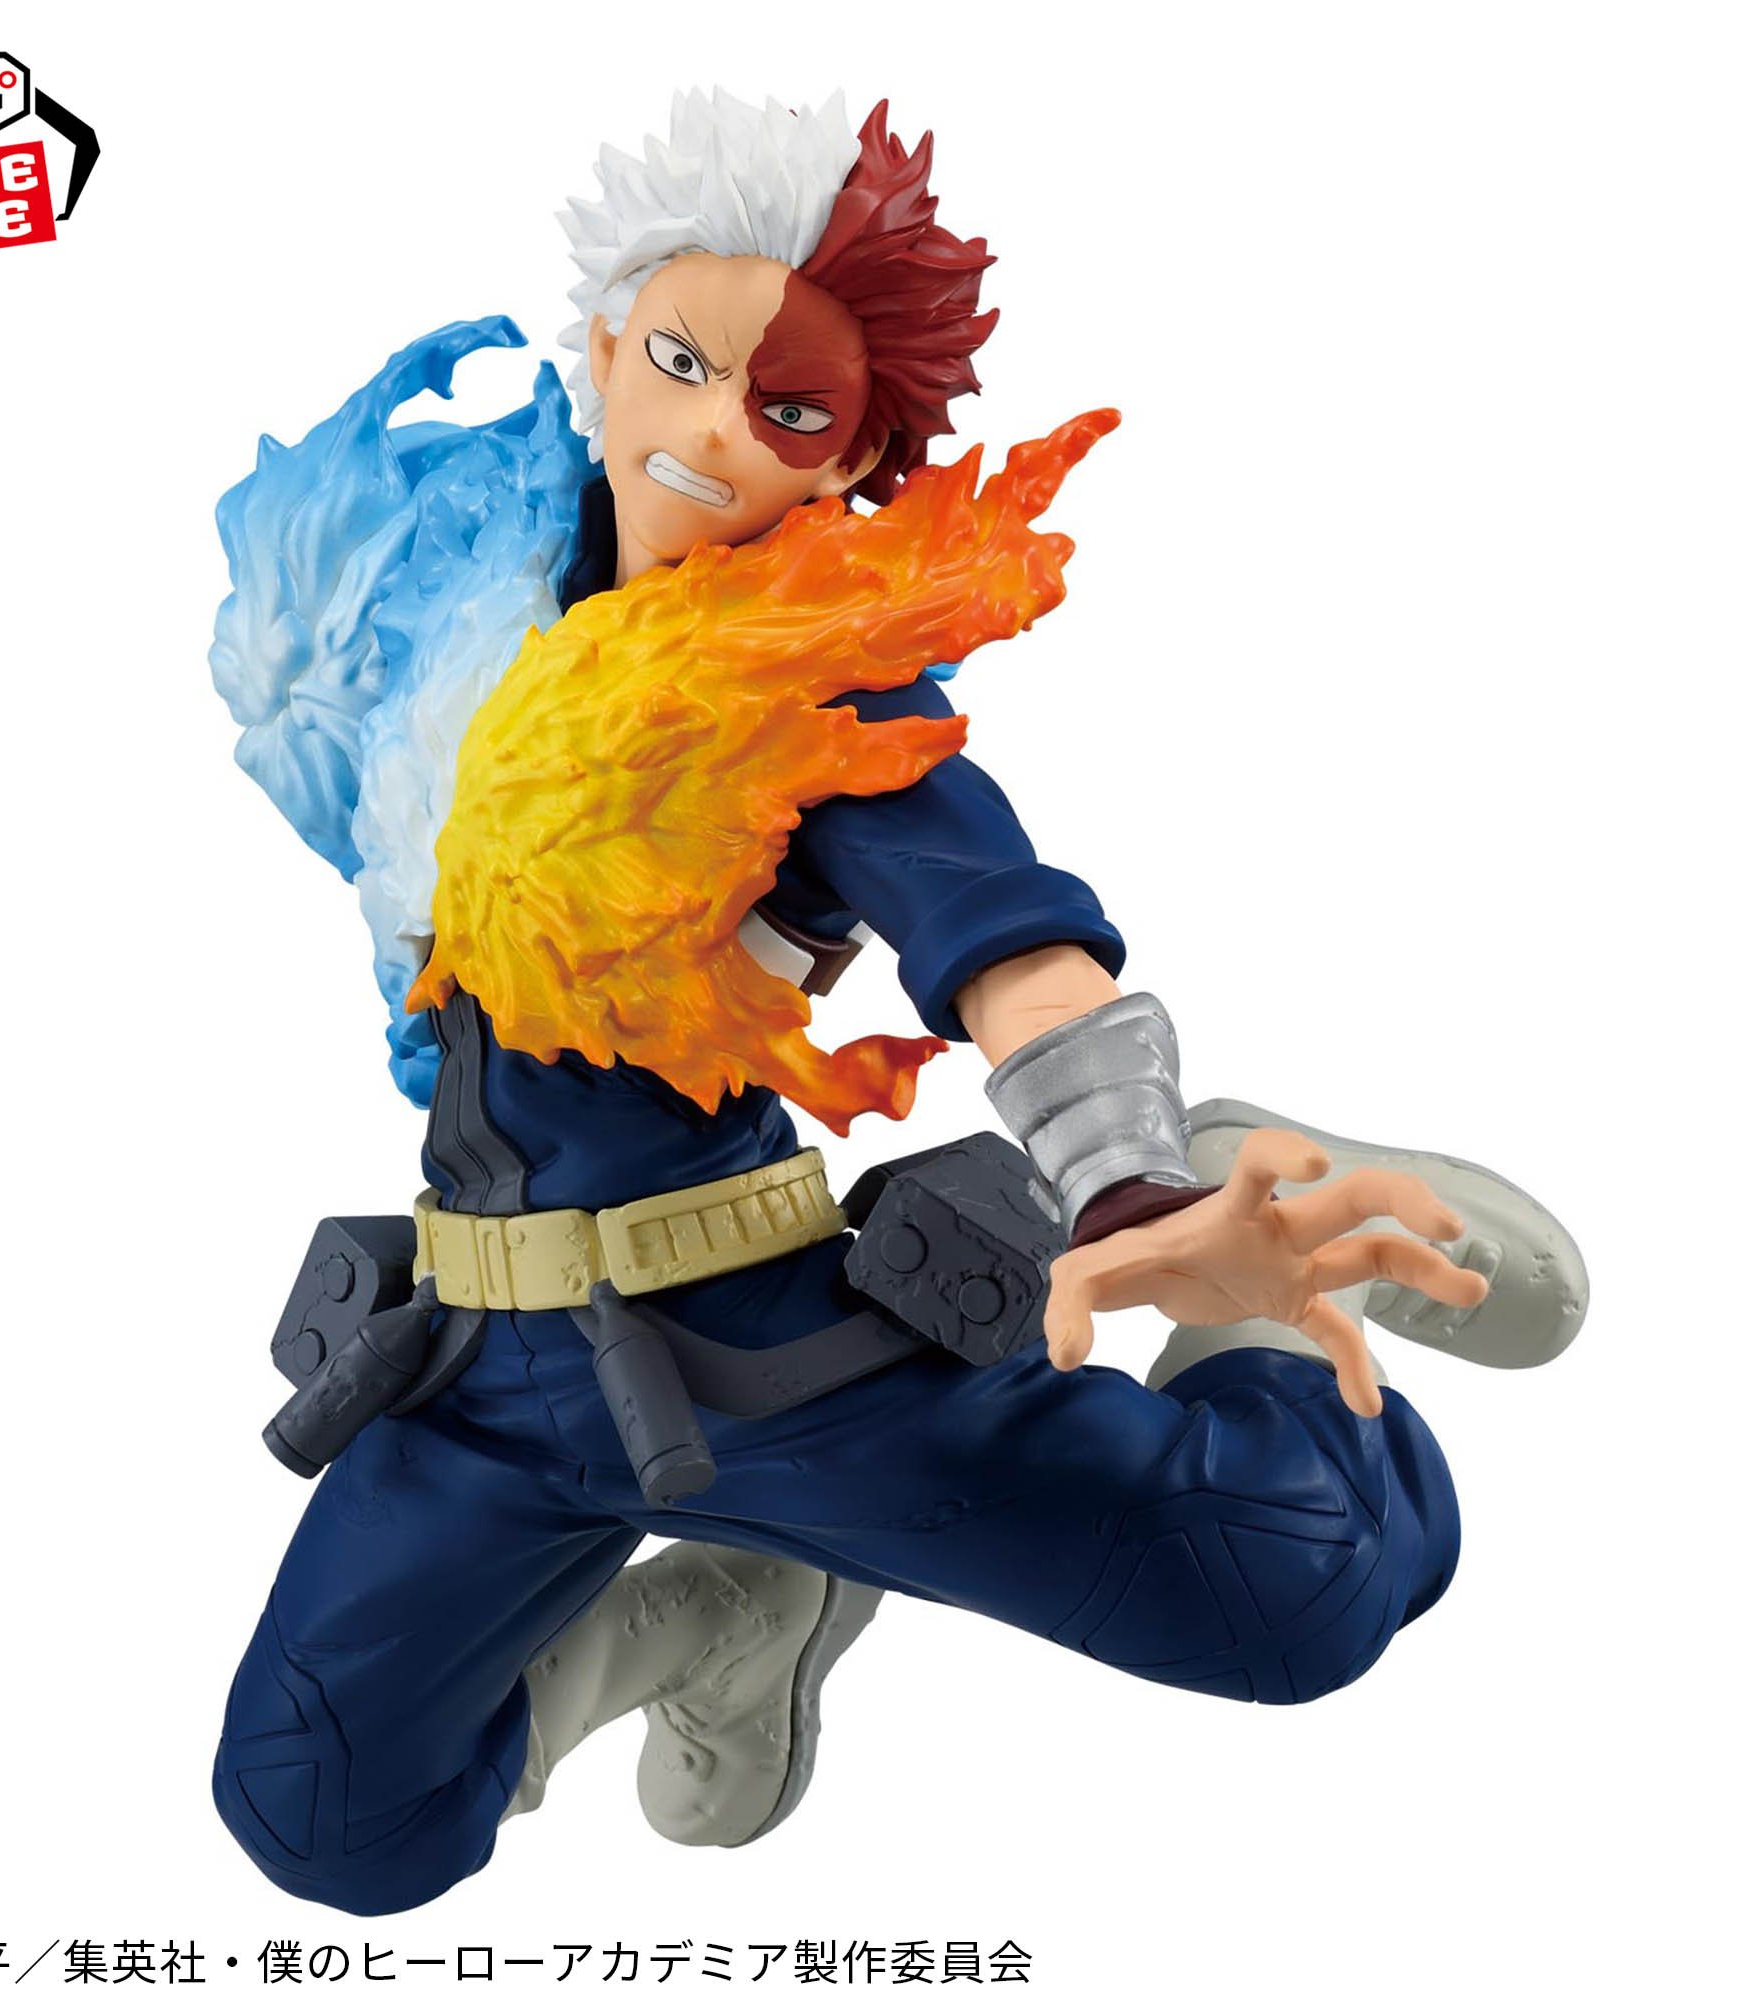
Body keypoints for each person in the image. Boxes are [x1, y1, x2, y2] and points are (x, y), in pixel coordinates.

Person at [207, 90, 1585, 1917]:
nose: (717, 431)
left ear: (847, 460)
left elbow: (1002, 936)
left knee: (1299, 1590)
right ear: (603, 352)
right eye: (682, 363)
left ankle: (1246, 1227)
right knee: (325, 1815)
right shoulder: (462, 624)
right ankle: (723, 1619)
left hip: (747, 1341)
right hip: (484, 1362)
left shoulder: (816, 689)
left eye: (789, 412)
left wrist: (1128, 1186)